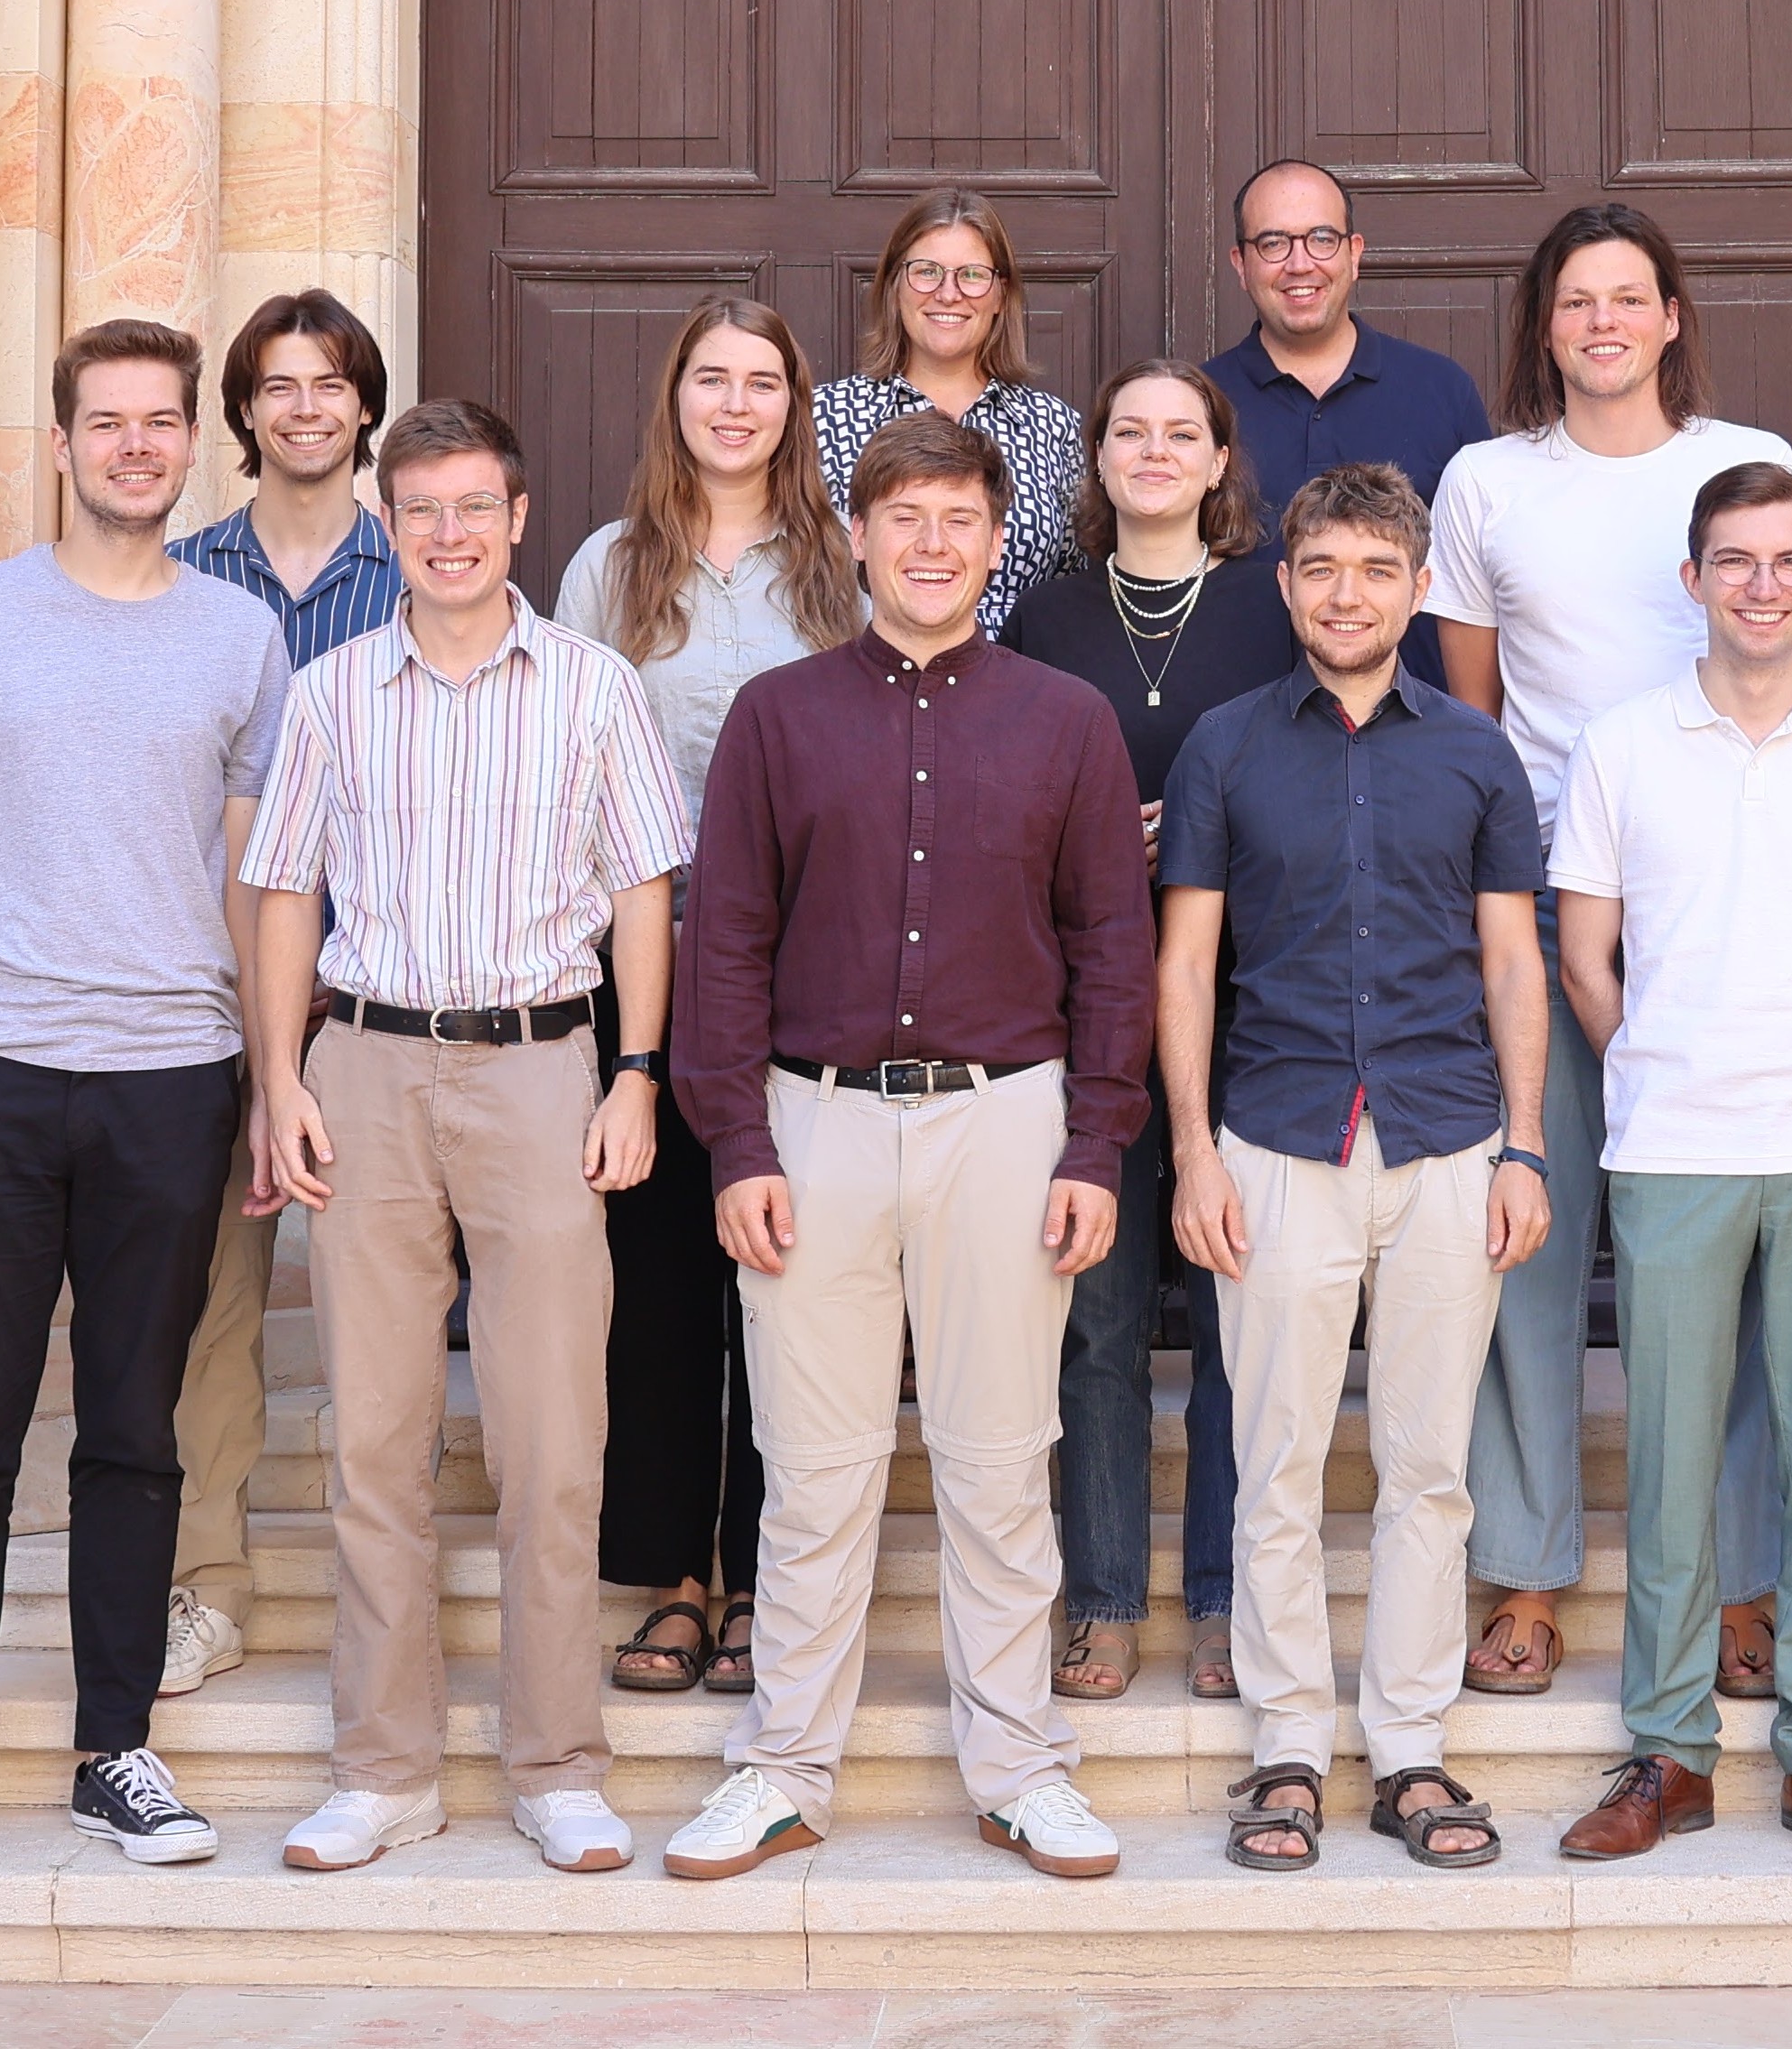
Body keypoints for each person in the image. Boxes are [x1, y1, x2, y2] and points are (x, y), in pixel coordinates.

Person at [663, 413, 1153, 1883]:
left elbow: (1111, 949)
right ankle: (780, 1768)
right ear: (857, 536)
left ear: (996, 543)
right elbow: (723, 942)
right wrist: (736, 1142)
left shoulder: (1066, 719)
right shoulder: (777, 717)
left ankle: (1019, 1769)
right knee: (813, 1471)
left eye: (957, 520)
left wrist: (1096, 1144)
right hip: (810, 1124)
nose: (931, 544)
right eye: (904, 517)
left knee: (999, 1462)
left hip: (1005, 1121)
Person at [0, 318, 291, 1873]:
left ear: (192, 445)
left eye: (158, 422)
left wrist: (266, 1078)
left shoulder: (240, 637)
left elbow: (255, 882)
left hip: (169, 1078)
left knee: (134, 1430)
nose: (133, 446)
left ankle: (118, 1749)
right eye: (105, 422)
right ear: (60, 445)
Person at [247, 398, 689, 1877]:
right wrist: (279, 1078)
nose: (449, 534)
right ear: (389, 526)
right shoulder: (329, 691)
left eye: (474, 507)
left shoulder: (593, 686)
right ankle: (383, 1772)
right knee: (374, 1440)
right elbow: (284, 892)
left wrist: (635, 1074)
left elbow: (641, 890)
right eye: (422, 509)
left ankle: (557, 1766)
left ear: (517, 519)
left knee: (553, 1442)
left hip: (540, 1069)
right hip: (366, 1067)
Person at [1551, 462, 1792, 1868]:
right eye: (1733, 560)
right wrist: (1661, 1067)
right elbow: (1584, 959)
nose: (1761, 585)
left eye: (1787, 561)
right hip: (1671, 1148)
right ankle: (1666, 1754)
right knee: (1666, 1465)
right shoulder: (1620, 743)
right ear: (1693, 579)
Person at [1158, 462, 1550, 1873]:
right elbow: (1184, 964)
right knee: (1271, 1461)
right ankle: (1283, 1746)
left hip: (1446, 1140)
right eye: (1321, 567)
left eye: (1376, 571)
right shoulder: (1221, 748)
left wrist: (1524, 1145)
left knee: (1425, 1467)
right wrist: (1190, 1151)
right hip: (1275, 1138)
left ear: (1416, 588)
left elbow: (1512, 962)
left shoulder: (1475, 753)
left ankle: (1407, 1749)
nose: (1346, 595)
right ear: (1285, 583)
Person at [1428, 201, 1792, 1701]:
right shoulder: (1486, 481)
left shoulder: (1740, 457)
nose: (1601, 322)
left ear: (1668, 317)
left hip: (1713, 911)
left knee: (1718, 1258)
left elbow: (1769, 656)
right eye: (1575, 299)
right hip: (1534, 905)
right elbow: (1469, 713)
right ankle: (1521, 1569)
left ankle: (1732, 1577)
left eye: (1627, 297)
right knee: (1521, 1236)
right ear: (1545, 324)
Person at [554, 299, 862, 1697]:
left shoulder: (839, 566)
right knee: (662, 1281)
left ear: (794, 404)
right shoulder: (608, 567)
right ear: (674, 396)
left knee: (781, 1278)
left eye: (762, 382)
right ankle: (677, 1577)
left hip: (808, 970)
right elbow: (560, 765)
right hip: (647, 965)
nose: (735, 404)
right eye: (711, 379)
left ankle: (765, 1575)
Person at [1003, 360, 1295, 1705]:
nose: (1156, 451)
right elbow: (1003, 791)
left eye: (1184, 433)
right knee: (1100, 1318)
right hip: (1089, 1003)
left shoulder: (1272, 603)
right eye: (1130, 431)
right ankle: (1106, 1598)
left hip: (1259, 1001)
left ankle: (1226, 1600)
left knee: (1240, 1317)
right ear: (1099, 456)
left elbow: (1317, 761)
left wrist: (1210, 832)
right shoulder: (1046, 611)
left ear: (1219, 459)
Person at [160, 287, 401, 1698]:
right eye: (279, 386)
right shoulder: (178, 579)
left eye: (330, 384)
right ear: (243, 414)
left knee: (404, 1305)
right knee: (211, 1306)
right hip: (209, 995)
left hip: (383, 1000)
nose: (306, 408)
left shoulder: (429, 567)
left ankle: (405, 1599)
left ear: (365, 406)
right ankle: (208, 1584)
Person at [1203, 160, 1490, 686]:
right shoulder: (1197, 407)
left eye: (1321, 238)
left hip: (1410, 723)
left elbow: (1481, 582)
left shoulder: (1442, 391)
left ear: (1354, 254)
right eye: (1272, 243)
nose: (1299, 264)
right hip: (1235, 720)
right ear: (1240, 264)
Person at [811, 187, 1082, 639]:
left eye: (972, 275)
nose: (949, 294)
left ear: (1001, 295)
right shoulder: (825, 416)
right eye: (927, 272)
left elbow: (1075, 583)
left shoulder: (1053, 427)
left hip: (1019, 676)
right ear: (895, 286)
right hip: (864, 673)